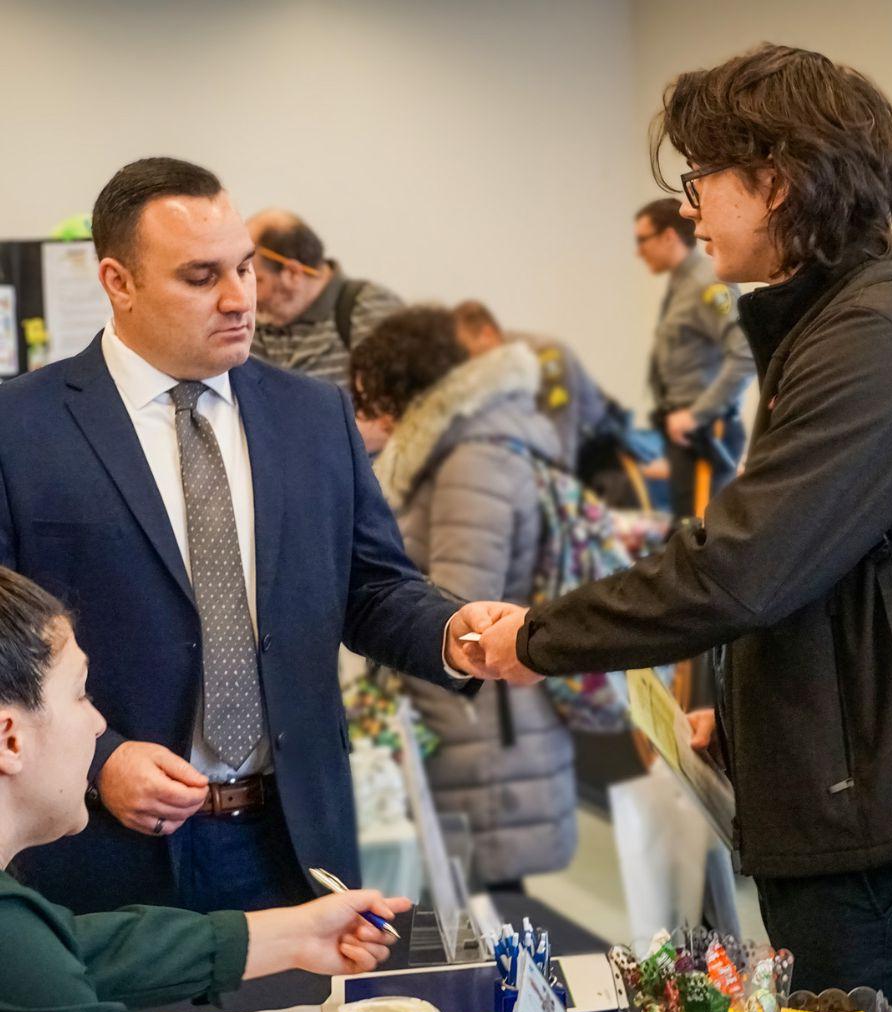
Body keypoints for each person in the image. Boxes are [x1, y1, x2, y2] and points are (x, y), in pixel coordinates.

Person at [477, 44, 892, 1012]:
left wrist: (540, 636)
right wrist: (741, 718)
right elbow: (837, 575)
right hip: (853, 795)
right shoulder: (837, 327)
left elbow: (742, 567)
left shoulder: (876, 341)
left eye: (699, 179)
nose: (689, 207)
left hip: (883, 828)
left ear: (774, 181)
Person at [0, 157, 529, 915]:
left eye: (245, 269)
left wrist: (452, 627)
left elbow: (371, 587)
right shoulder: (22, 426)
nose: (238, 298)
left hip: (290, 840)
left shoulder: (313, 415)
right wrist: (102, 760)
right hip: (99, 848)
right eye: (200, 276)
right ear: (118, 282)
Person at [0, 565, 407, 1012]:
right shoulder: (16, 947)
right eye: (80, 695)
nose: (98, 724)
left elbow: (76, 950)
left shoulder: (24, 935)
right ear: (10, 740)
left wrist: (295, 935)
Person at [351, 307, 577, 889]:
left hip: (481, 726)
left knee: (490, 918)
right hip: (476, 718)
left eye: (371, 398)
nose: (364, 416)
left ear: (404, 389)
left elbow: (466, 603)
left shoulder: (472, 457)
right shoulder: (467, 445)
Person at [635, 198, 754, 518]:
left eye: (642, 240)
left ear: (669, 237)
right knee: (682, 538)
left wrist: (697, 415)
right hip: (684, 438)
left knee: (698, 537)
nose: (638, 251)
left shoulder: (707, 283)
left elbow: (744, 356)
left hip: (704, 432)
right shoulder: (682, 282)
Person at [452, 299, 615, 472]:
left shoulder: (548, 355)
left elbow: (561, 451)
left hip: (597, 457)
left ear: (487, 334)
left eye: (467, 354)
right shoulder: (496, 369)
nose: (466, 368)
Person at [247, 208, 402, 387]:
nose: (245, 294)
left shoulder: (371, 311)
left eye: (256, 280)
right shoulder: (246, 322)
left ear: (292, 273)